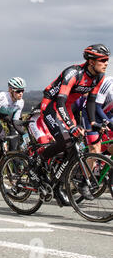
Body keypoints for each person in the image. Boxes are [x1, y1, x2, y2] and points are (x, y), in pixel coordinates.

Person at [37, 44, 110, 200]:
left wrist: (92, 123)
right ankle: (39, 160)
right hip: (51, 104)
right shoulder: (73, 73)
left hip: (67, 107)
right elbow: (60, 101)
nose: (106, 63)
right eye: (103, 60)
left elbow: (91, 102)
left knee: (75, 145)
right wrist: (71, 126)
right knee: (65, 140)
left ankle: (58, 184)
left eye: (107, 60)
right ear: (91, 61)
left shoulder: (99, 76)